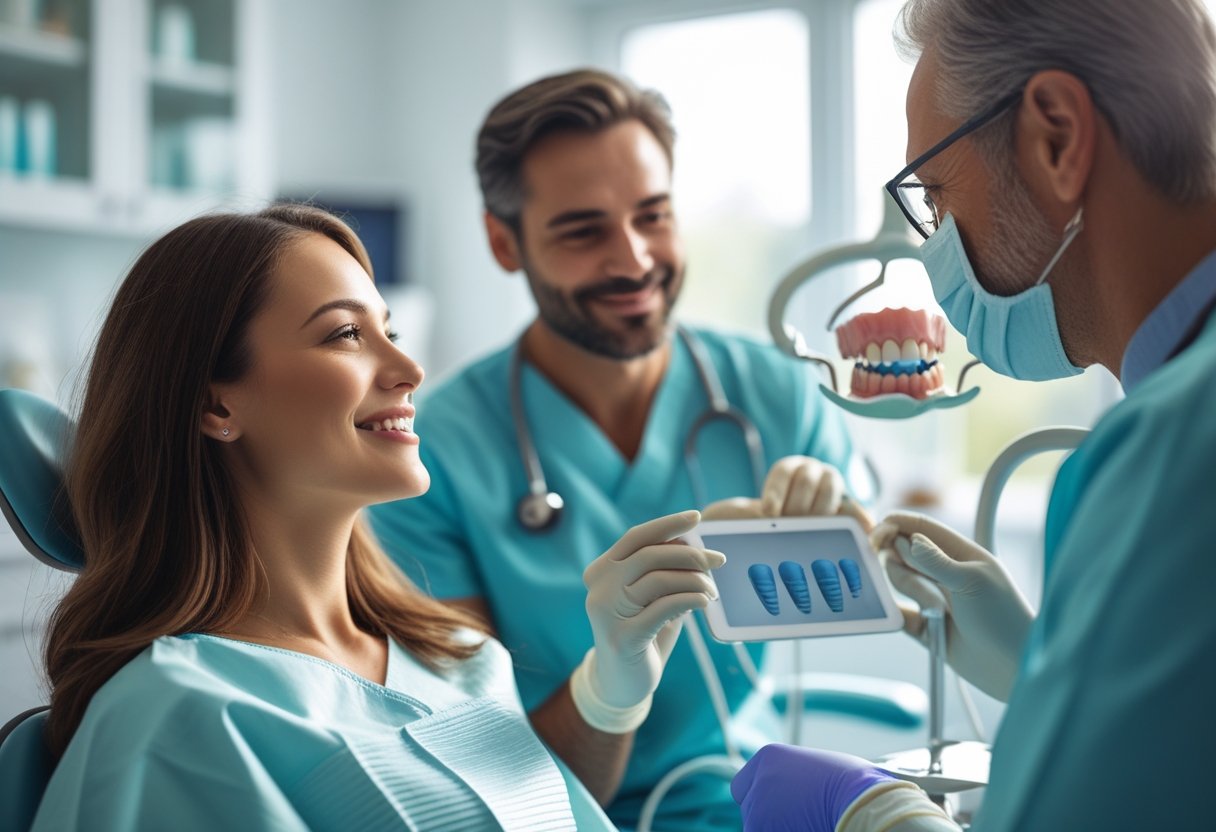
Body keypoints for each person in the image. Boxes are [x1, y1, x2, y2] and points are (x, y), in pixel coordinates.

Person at [30, 204, 718, 829]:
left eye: (387, 329)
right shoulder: (176, 716)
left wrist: (611, 689)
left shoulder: (463, 660)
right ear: (216, 406)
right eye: (345, 335)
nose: (410, 367)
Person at [731, 0, 1216, 829]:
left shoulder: (1173, 449)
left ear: (1057, 136)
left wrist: (876, 813)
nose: (933, 247)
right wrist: (1042, 670)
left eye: (935, 192)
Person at [368, 69, 868, 831]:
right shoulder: (427, 458)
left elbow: (869, 601)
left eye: (653, 216)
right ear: (505, 242)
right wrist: (609, 687)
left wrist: (848, 538)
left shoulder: (777, 399)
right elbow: (492, 789)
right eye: (583, 230)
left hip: (753, 806)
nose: (633, 261)